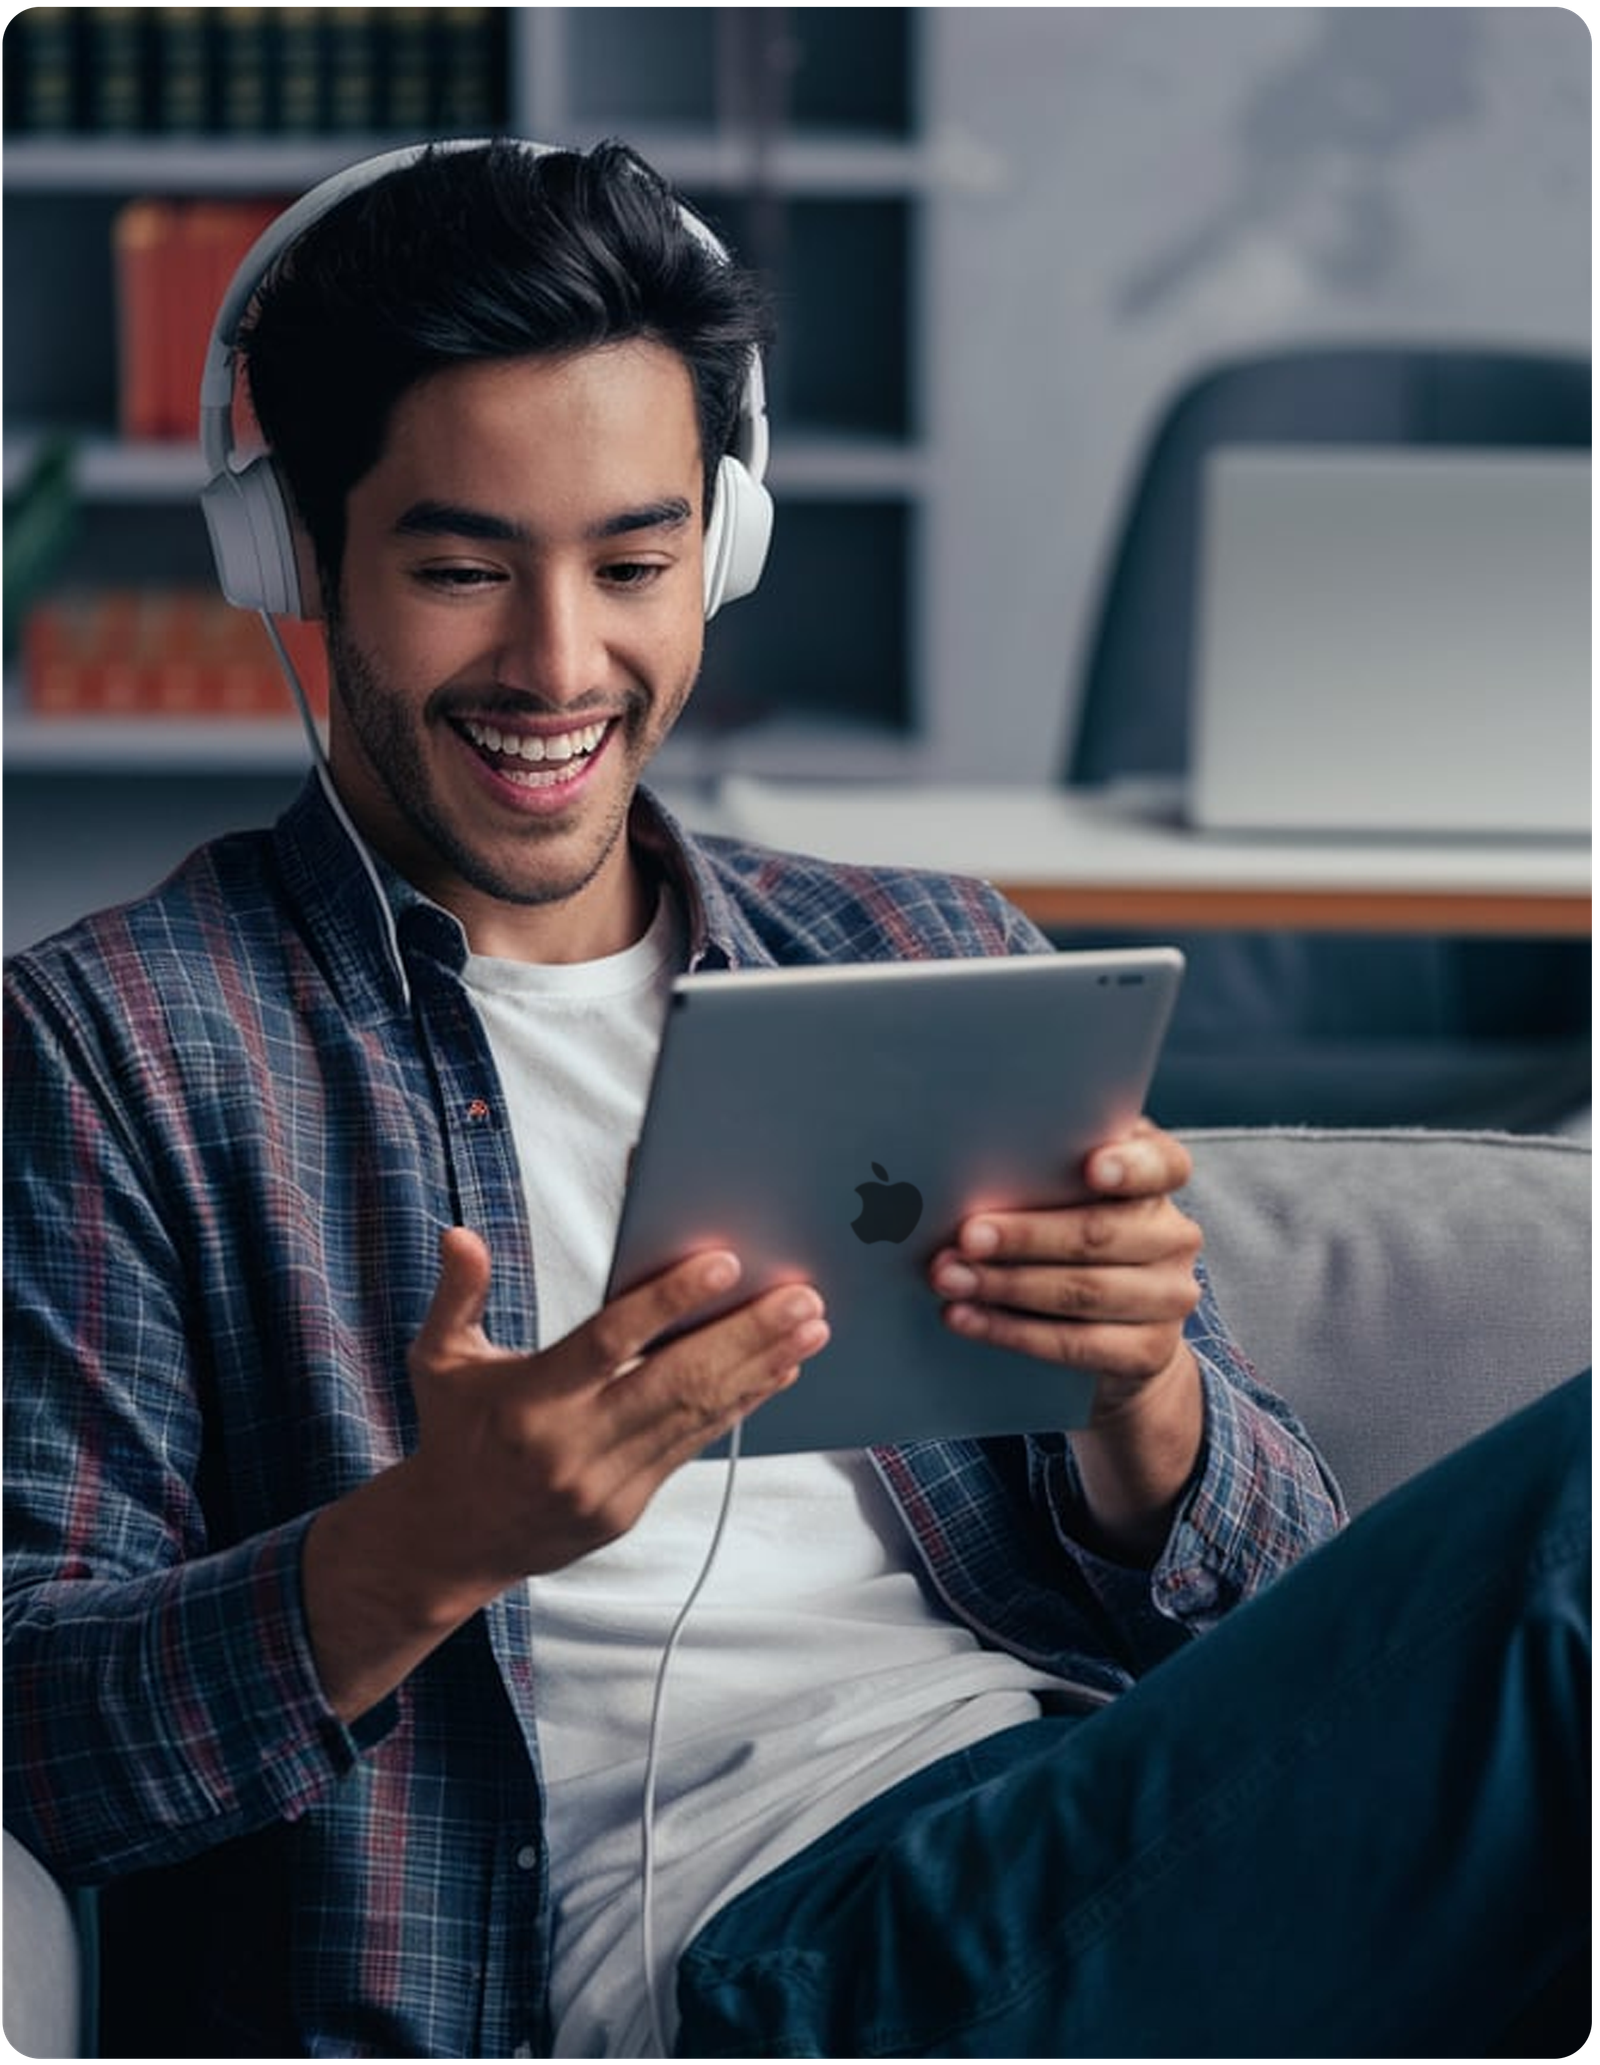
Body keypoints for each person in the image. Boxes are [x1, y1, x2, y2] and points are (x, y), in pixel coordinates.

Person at [1, 137, 1588, 2062]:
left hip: (1081, 1827)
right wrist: (435, 1536)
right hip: (749, 1971)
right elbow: (44, 1741)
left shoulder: (917, 946)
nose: (557, 662)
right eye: (457, 567)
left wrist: (1145, 1398)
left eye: (634, 562)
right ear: (295, 559)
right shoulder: (118, 1052)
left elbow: (1288, 1625)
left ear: (723, 552)